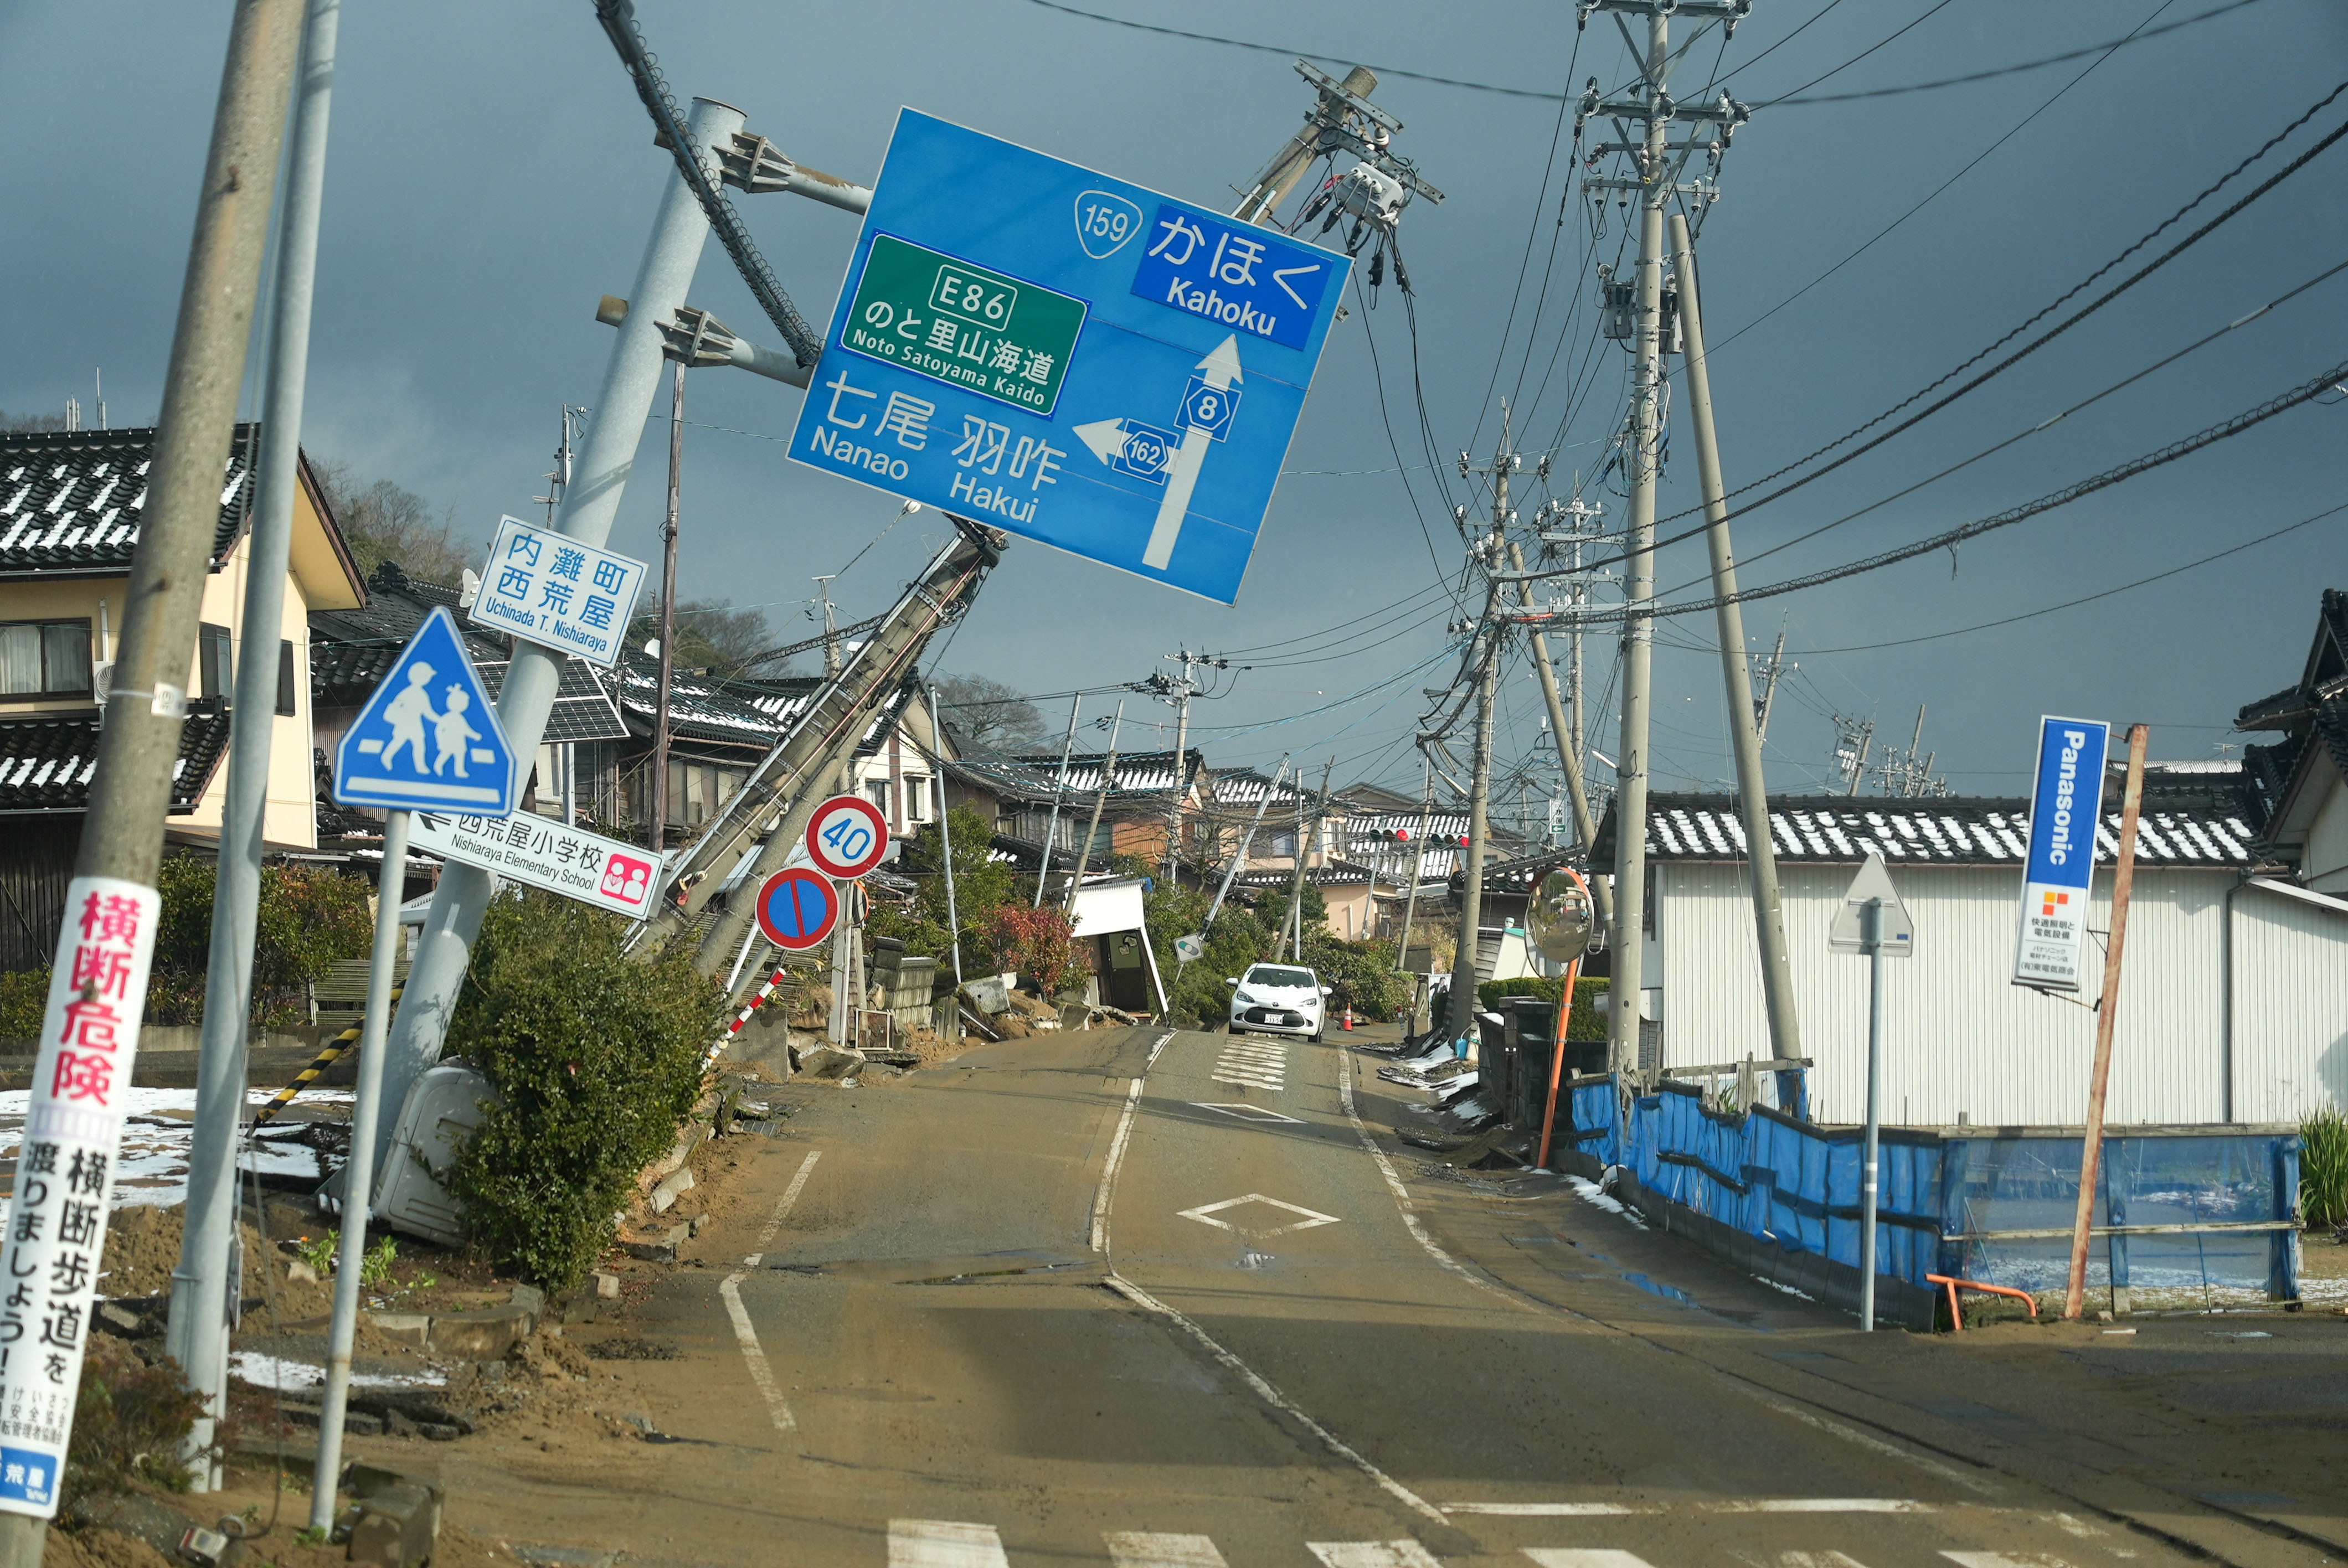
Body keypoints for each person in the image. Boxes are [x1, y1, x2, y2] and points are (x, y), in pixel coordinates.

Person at [380, 662, 439, 773]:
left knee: (419, 744)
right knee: (399, 742)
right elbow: (396, 704)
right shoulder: (407, 692)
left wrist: (440, 720)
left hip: (415, 725)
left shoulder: (423, 694)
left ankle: (420, 767)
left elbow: (428, 712)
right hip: (405, 723)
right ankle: (386, 757)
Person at [433, 688, 483, 778]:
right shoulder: (447, 717)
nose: (465, 705)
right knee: (446, 754)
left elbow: (466, 729)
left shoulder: (461, 718)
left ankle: (460, 771)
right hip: (449, 741)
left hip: (459, 742)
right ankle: (438, 766)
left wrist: (475, 735)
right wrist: (440, 741)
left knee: (460, 755)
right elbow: (439, 729)